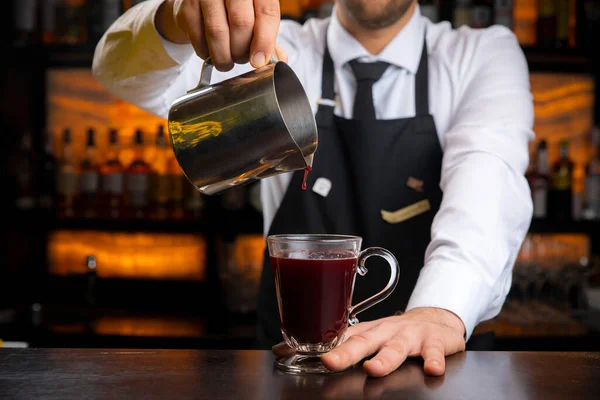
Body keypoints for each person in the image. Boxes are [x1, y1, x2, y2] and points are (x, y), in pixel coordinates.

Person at [93, 0, 534, 378]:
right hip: (294, 367)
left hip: (437, 371)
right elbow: (119, 74)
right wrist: (173, 16)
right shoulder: (274, 48)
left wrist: (440, 310)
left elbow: (488, 188)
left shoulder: (479, 54)